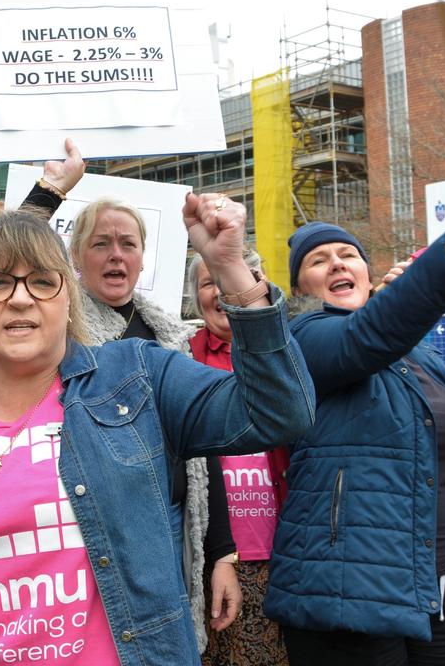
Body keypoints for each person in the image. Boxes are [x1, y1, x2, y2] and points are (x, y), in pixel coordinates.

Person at [0, 196, 316, 665]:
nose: (21, 297)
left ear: (68, 296)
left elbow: (280, 412)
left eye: (42, 281)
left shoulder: (138, 378)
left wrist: (231, 271)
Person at [263, 197, 445, 666]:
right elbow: (363, 340)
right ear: (301, 286)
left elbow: (439, 459)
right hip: (351, 593)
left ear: (366, 270)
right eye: (319, 261)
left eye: (348, 254)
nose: (337, 263)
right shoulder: (299, 339)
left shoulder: (418, 354)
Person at [22, 150, 240, 649]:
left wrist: (221, 553)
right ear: (74, 258)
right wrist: (49, 191)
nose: (116, 255)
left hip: (173, 522)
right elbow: (1, 257)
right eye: (101, 244)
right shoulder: (57, 330)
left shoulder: (172, 340)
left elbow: (204, 447)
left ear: (143, 257)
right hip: (87, 527)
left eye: (128, 243)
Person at [188, 248, 291, 666]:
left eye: (232, 278)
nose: (222, 290)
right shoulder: (180, 354)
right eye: (209, 282)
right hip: (213, 556)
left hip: (286, 552)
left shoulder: (287, 354)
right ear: (197, 299)